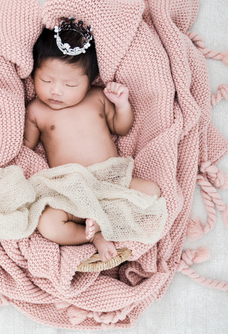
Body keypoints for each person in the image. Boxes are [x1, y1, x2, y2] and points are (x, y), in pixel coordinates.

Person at [23, 17, 162, 262]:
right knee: (49, 225)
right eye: (46, 80)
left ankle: (103, 222)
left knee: (152, 192)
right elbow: (26, 148)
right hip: (72, 189)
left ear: (88, 83)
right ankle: (93, 234)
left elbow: (121, 128)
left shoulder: (97, 98)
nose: (56, 91)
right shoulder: (37, 110)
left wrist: (121, 106)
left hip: (111, 181)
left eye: (70, 84)